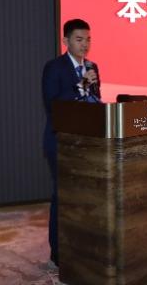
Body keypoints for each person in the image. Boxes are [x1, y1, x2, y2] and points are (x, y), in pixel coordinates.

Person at [41, 18, 101, 266]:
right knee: (63, 196)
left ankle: (81, 246)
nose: (85, 44)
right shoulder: (54, 67)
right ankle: (58, 253)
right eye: (79, 39)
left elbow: (94, 102)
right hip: (61, 143)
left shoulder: (92, 66)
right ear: (66, 41)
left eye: (88, 39)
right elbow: (53, 104)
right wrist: (82, 84)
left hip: (87, 143)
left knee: (84, 197)